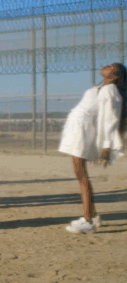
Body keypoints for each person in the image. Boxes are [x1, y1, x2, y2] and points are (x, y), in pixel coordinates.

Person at [58, 63, 126, 234]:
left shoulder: (110, 91)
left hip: (82, 131)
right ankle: (93, 215)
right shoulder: (102, 87)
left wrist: (106, 145)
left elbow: (110, 118)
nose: (107, 65)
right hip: (77, 129)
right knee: (80, 175)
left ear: (116, 75)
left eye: (112, 66)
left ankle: (88, 222)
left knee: (82, 176)